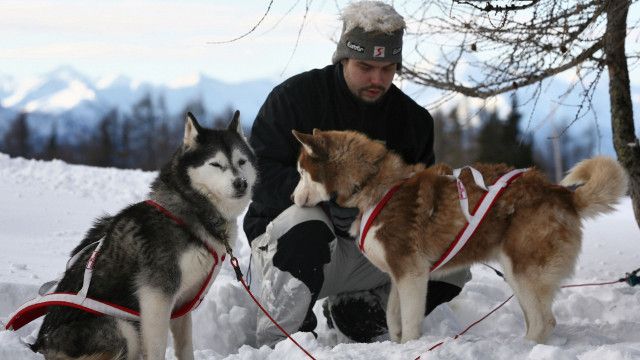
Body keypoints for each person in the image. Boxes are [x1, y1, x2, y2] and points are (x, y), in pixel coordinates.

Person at [243, 0, 471, 347]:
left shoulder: (413, 120)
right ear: (343, 58)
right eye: (366, 66)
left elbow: (420, 201)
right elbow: (255, 176)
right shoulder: (295, 97)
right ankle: (283, 341)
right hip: (292, 248)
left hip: (371, 250)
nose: (377, 79)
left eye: (388, 68)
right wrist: (328, 199)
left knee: (453, 254)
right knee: (307, 222)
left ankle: (363, 313)